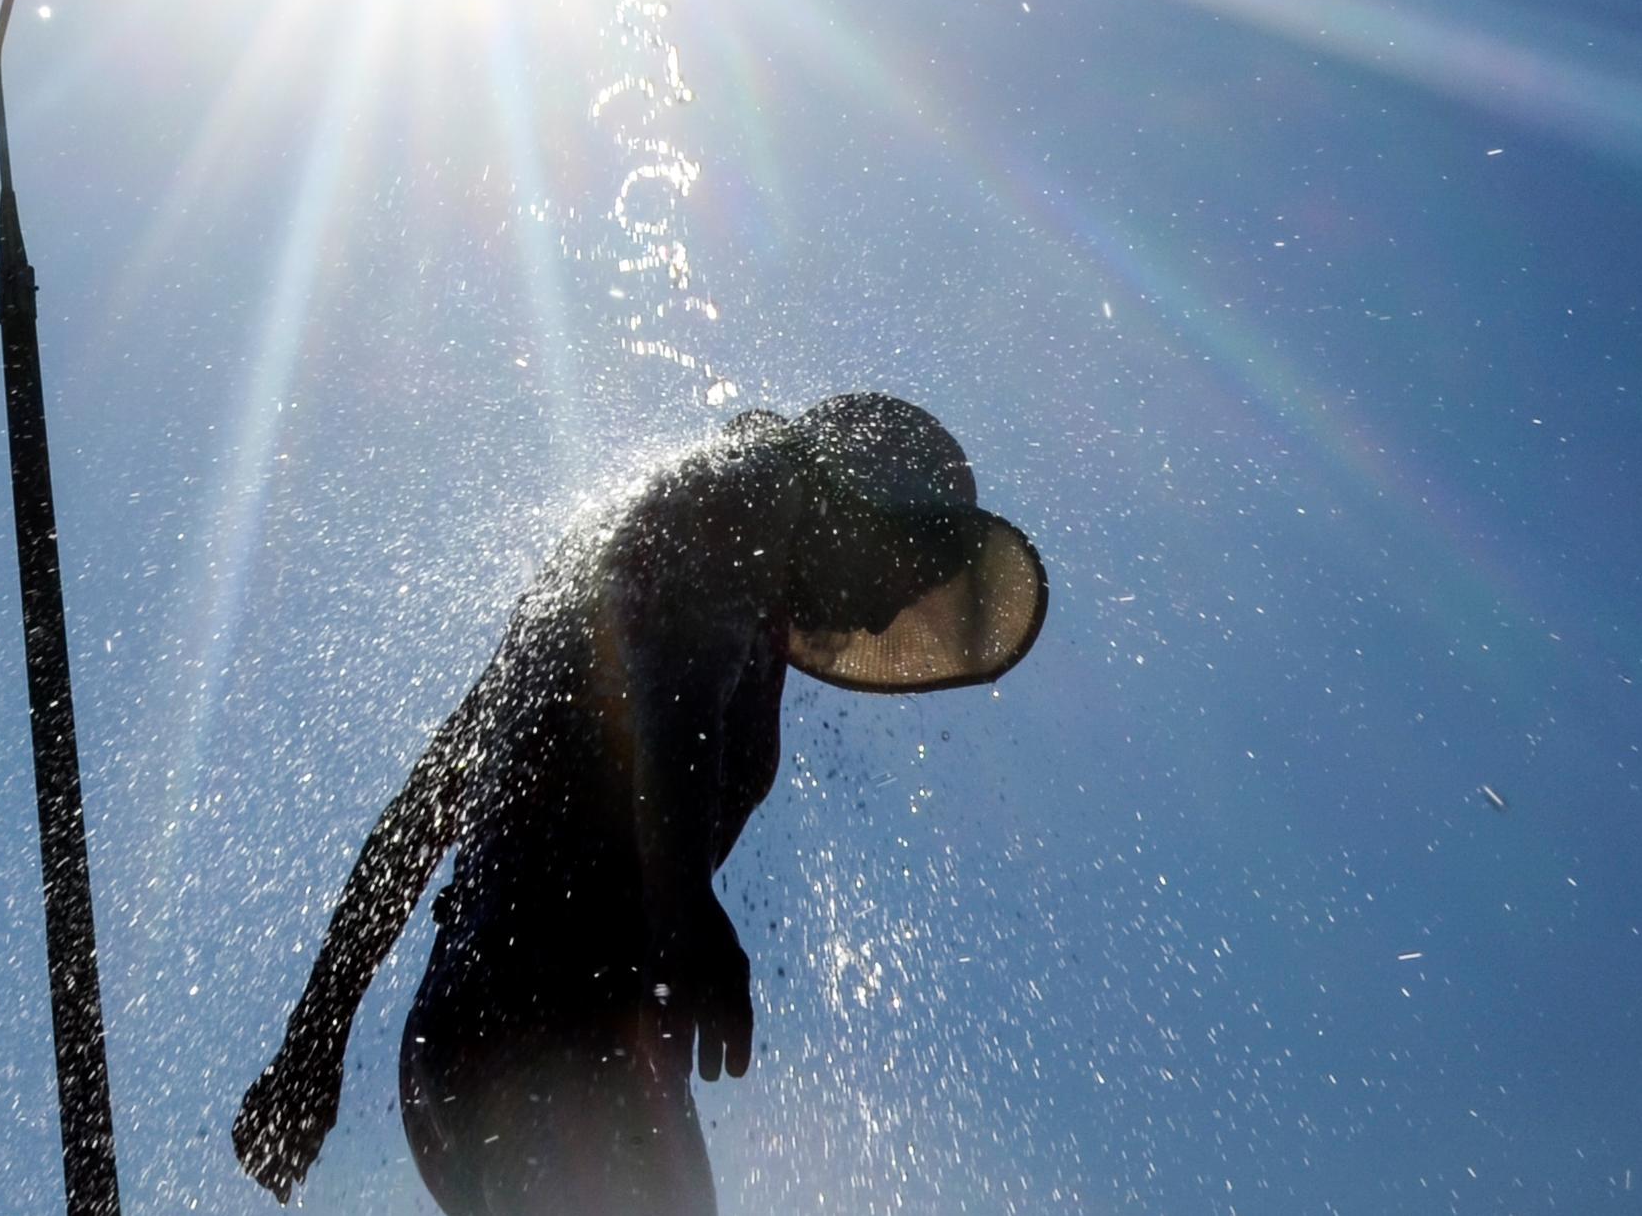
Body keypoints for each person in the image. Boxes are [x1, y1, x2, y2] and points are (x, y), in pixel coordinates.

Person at [230, 392, 1044, 1213]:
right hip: (542, 1024)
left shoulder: (691, 566)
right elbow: (672, 687)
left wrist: (316, 1037)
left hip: (511, 1034)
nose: (883, 613)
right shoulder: (744, 486)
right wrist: (684, 901)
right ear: (861, 501)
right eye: (903, 574)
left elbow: (425, 806)